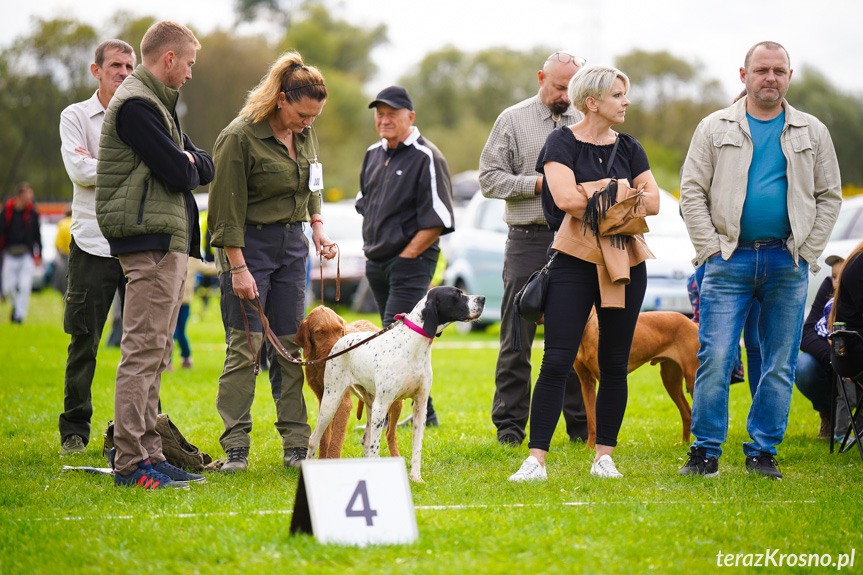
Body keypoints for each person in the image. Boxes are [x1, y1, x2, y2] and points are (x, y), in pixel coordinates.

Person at [678, 41, 842, 480]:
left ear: (789, 76)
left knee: (779, 360)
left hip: (785, 262)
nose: (770, 78)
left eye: (779, 70)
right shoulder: (714, 127)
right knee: (714, 355)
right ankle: (705, 452)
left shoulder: (813, 131)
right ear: (744, 74)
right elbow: (691, 190)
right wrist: (710, 250)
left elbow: (829, 197)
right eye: (762, 70)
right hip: (727, 261)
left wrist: (807, 252)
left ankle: (763, 452)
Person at [508, 65, 661, 482]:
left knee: (613, 362)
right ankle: (535, 459)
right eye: (617, 95)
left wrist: (594, 193)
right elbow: (564, 198)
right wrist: (622, 194)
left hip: (626, 261)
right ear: (592, 102)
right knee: (556, 360)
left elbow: (655, 202)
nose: (625, 101)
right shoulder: (560, 141)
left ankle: (604, 457)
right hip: (574, 260)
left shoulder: (631, 146)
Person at [96, 21, 214, 489]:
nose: (189, 73)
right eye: (187, 63)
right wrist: (184, 162)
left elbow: (199, 162)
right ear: (169, 59)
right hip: (147, 240)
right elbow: (178, 170)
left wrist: (188, 160)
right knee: (143, 351)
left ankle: (149, 451)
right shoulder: (139, 106)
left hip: (165, 240)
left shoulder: (158, 105)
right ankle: (130, 463)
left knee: (157, 351)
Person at [209, 51, 334, 474]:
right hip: (249, 249)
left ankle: (296, 446)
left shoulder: (305, 132)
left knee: (289, 348)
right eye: (302, 115)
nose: (307, 124)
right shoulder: (238, 137)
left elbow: (312, 181)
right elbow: (223, 214)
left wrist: (316, 224)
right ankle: (236, 448)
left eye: (313, 117)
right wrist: (239, 269)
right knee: (247, 350)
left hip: (291, 247)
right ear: (281, 99)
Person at [480, 51, 588, 447]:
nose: (567, 95)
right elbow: (489, 179)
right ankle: (509, 429)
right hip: (527, 239)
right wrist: (541, 184)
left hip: (575, 239)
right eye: (560, 87)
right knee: (516, 337)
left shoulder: (585, 121)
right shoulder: (512, 119)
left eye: (574, 88)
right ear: (541, 77)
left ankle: (581, 428)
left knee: (576, 339)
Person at [355, 85, 455, 426]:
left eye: (392, 114)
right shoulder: (372, 154)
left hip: (411, 263)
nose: (384, 120)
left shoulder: (427, 156)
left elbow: (440, 219)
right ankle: (424, 414)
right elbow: (364, 205)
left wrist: (407, 256)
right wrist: (371, 254)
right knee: (393, 339)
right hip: (377, 263)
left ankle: (397, 417)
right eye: (379, 114)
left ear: (410, 117)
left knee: (398, 339)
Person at [56, 39, 135, 456]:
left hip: (136, 244)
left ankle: (140, 429)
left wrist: (100, 163)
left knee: (141, 346)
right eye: (116, 65)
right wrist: (129, 166)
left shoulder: (142, 114)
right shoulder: (75, 116)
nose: (124, 72)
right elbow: (78, 170)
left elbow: (98, 168)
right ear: (96, 70)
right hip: (89, 244)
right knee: (84, 340)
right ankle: (74, 429)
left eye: (130, 65)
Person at [796, 254, 851, 440]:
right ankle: (828, 413)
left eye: (840, 276)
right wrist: (834, 357)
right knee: (802, 365)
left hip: (855, 359)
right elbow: (806, 333)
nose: (835, 281)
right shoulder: (829, 288)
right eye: (834, 276)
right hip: (834, 360)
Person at [1, 183, 42, 324]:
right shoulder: (7, 211)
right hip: (10, 253)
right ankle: (16, 308)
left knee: (25, 286)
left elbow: (37, 235)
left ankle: (19, 317)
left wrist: (39, 255)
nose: (31, 197)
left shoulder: (32, 213)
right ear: (19, 196)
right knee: (8, 287)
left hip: (26, 254)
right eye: (28, 194)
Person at [171, 256, 217, 369]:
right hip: (171, 302)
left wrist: (228, 263)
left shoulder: (193, 259)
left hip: (185, 302)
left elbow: (208, 268)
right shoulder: (171, 257)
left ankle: (186, 357)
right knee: (172, 332)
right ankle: (167, 361)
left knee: (181, 333)